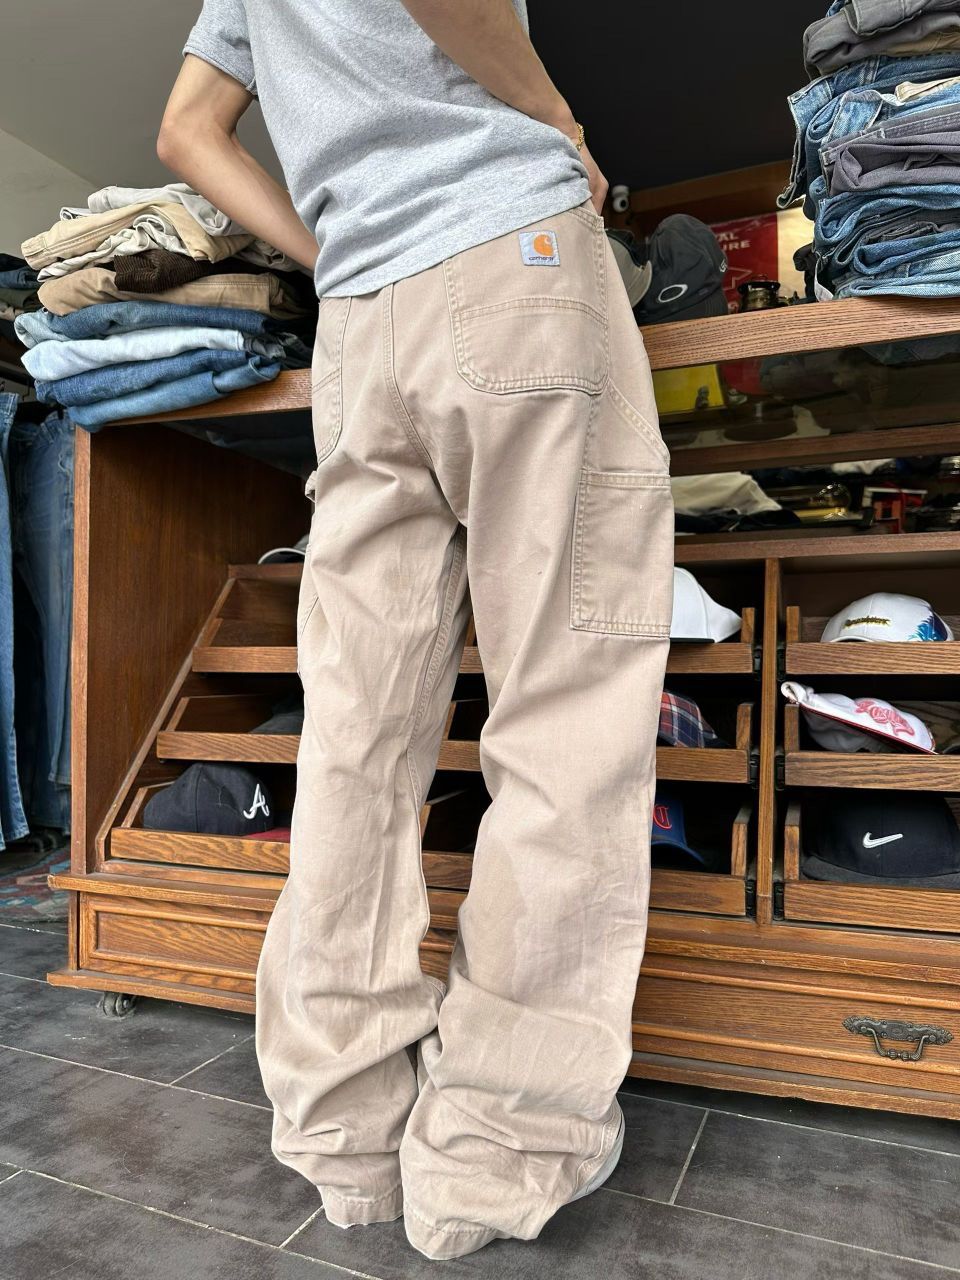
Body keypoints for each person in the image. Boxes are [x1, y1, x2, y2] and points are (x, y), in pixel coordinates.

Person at [160, 0, 673, 1260]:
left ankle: (344, 1129)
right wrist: (558, 121)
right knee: (564, 716)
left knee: (357, 737)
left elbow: (187, 132)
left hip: (361, 324)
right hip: (509, 251)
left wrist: (339, 256)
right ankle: (492, 1156)